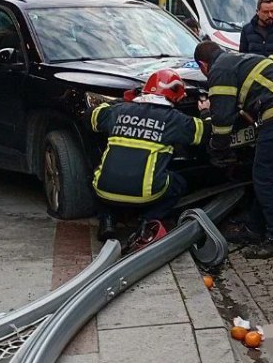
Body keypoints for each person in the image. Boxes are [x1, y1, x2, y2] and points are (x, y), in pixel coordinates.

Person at [194, 40, 273, 258]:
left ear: (203, 65)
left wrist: (217, 149)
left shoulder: (219, 71)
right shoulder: (236, 60)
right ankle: (255, 229)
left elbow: (223, 120)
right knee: (262, 174)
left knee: (264, 177)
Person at [89, 69, 210, 248]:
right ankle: (148, 221)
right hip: (146, 194)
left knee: (104, 177)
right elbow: (204, 133)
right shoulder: (174, 119)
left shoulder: (119, 110)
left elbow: (92, 116)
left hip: (104, 191)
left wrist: (122, 100)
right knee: (179, 183)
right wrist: (206, 111)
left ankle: (107, 220)